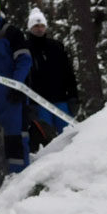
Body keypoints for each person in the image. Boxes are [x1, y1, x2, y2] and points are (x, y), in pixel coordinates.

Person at [0, 0, 32, 174]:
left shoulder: (11, 32)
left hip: (11, 94)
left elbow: (24, 60)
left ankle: (20, 176)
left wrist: (17, 85)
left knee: (15, 136)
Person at [25, 8, 78, 136]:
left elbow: (68, 73)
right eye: (36, 26)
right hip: (38, 102)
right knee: (47, 139)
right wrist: (28, 104)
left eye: (42, 25)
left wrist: (73, 96)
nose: (39, 29)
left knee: (68, 136)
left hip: (61, 100)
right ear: (30, 28)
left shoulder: (56, 46)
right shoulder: (25, 48)